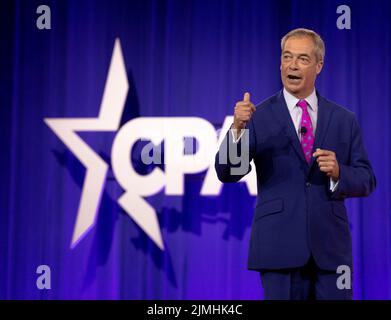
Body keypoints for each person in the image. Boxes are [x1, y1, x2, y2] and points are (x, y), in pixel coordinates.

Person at [215, 28, 376, 300]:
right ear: (280, 63)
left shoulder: (343, 119)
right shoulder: (258, 115)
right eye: (287, 57)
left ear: (319, 65)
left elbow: (366, 179)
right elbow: (229, 173)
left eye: (302, 58)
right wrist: (237, 131)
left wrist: (339, 172)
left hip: (330, 252)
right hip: (279, 249)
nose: (292, 64)